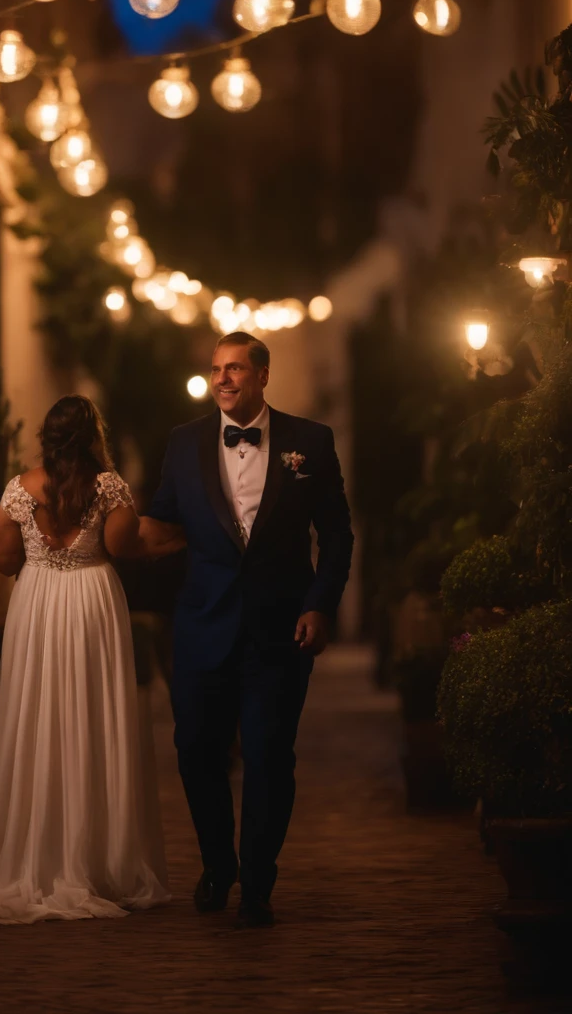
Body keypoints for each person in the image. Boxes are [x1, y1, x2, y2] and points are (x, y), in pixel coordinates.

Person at [142, 331, 354, 929]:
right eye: (216, 369)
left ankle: (257, 882)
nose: (223, 379)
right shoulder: (183, 444)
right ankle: (217, 864)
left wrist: (320, 604)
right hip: (203, 625)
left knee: (267, 757)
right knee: (194, 752)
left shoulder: (310, 442)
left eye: (235, 369)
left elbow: (336, 535)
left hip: (279, 630)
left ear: (263, 374)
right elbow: (157, 523)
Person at [0, 395, 173, 924]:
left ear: (47, 436)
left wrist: (39, 548)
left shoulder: (19, 490)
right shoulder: (108, 487)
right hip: (92, 602)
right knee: (93, 717)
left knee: (36, 717)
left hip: (37, 604)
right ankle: (98, 861)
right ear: (93, 436)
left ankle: (34, 855)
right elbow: (123, 545)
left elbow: (2, 561)